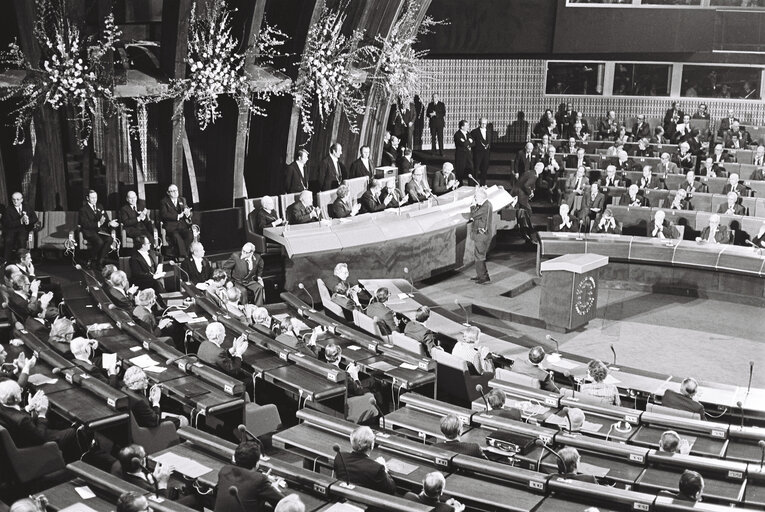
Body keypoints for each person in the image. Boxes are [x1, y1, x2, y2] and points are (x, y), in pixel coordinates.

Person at [0, 380, 90, 462]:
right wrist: (42, 414)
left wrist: (28, 407)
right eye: (19, 391)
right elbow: (40, 438)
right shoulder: (23, 420)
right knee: (73, 432)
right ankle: (78, 463)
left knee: (58, 424)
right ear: (14, 399)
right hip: (34, 444)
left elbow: (13, 414)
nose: (21, 391)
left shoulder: (2, 407)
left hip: (20, 439)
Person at [214, 440, 285, 512]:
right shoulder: (260, 480)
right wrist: (273, 488)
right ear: (257, 463)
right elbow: (285, 504)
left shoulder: (225, 470)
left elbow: (216, 492)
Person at [333, 426, 396, 494]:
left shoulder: (340, 457)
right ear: (372, 445)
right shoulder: (377, 468)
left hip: (342, 496)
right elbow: (391, 490)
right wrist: (385, 470)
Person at [122, 366, 188, 428]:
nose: (147, 381)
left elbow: (143, 409)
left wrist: (150, 399)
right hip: (150, 430)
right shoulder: (139, 402)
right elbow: (155, 421)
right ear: (134, 383)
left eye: (146, 378)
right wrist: (156, 402)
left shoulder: (125, 389)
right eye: (143, 380)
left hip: (143, 421)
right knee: (183, 420)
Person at [79, 190, 118, 270]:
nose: (94, 200)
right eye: (92, 198)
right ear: (87, 198)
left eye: (95, 197)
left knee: (109, 239)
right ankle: (90, 258)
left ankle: (100, 262)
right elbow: (85, 224)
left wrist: (109, 223)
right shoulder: (83, 210)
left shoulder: (100, 206)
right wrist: (98, 223)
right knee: (99, 242)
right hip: (89, 232)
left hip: (100, 231)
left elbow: (105, 219)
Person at [160, 184, 194, 259]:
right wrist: (178, 216)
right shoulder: (164, 202)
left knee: (189, 235)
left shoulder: (182, 200)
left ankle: (181, 255)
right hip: (171, 227)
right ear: (168, 193)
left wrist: (188, 213)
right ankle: (184, 256)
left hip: (182, 226)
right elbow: (164, 215)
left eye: (176, 190)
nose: (175, 193)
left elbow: (188, 211)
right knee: (177, 237)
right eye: (172, 191)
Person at [3, 192, 38, 263]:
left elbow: (34, 218)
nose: (15, 201)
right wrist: (20, 221)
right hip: (12, 230)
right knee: (8, 240)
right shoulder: (8, 209)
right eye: (13, 199)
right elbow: (7, 224)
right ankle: (6, 262)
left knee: (21, 239)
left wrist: (28, 221)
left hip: (24, 229)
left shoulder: (28, 207)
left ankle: (22, 261)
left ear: (22, 200)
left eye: (17, 199)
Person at [470, 187, 493, 284]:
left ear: (481, 197)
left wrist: (472, 206)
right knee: (478, 255)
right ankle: (480, 274)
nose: (475, 199)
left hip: (482, 235)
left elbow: (474, 215)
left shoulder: (485, 206)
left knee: (480, 256)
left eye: (476, 197)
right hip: (480, 234)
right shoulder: (484, 204)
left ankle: (484, 277)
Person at [471, 117, 491, 186]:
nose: (483, 125)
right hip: (477, 153)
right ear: (479, 123)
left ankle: (483, 184)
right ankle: (475, 184)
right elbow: (472, 143)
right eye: (482, 123)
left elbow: (489, 141)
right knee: (476, 169)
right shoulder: (474, 132)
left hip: (486, 154)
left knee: (484, 169)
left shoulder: (489, 131)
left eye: (485, 123)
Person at [453, 120, 474, 185]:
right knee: (460, 172)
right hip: (460, 156)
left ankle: (471, 186)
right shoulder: (457, 134)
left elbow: (474, 143)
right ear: (462, 127)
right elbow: (463, 144)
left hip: (468, 156)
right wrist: (469, 141)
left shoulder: (468, 133)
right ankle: (460, 186)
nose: (468, 127)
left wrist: (468, 142)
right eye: (466, 125)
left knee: (470, 171)